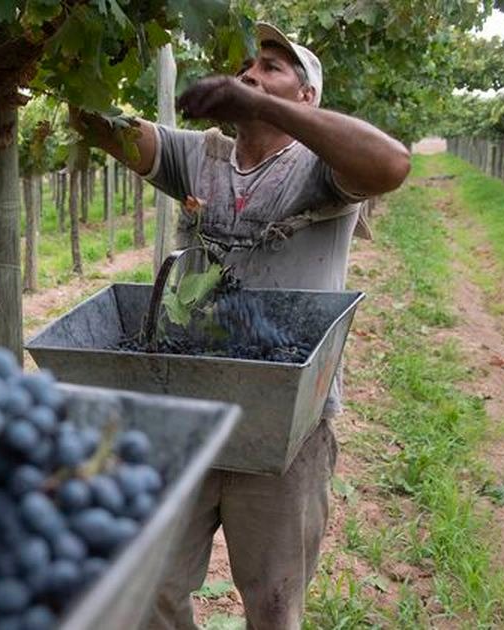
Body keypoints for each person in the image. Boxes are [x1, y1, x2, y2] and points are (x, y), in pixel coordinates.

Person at [71, 23, 410, 629]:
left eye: (272, 68)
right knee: (151, 587)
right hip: (187, 411)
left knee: (274, 607)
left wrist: (258, 105)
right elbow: (105, 128)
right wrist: (86, 46)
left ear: (307, 97)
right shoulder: (199, 156)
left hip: (285, 425)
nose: (250, 74)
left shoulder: (322, 169)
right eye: (246, 68)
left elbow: (392, 163)